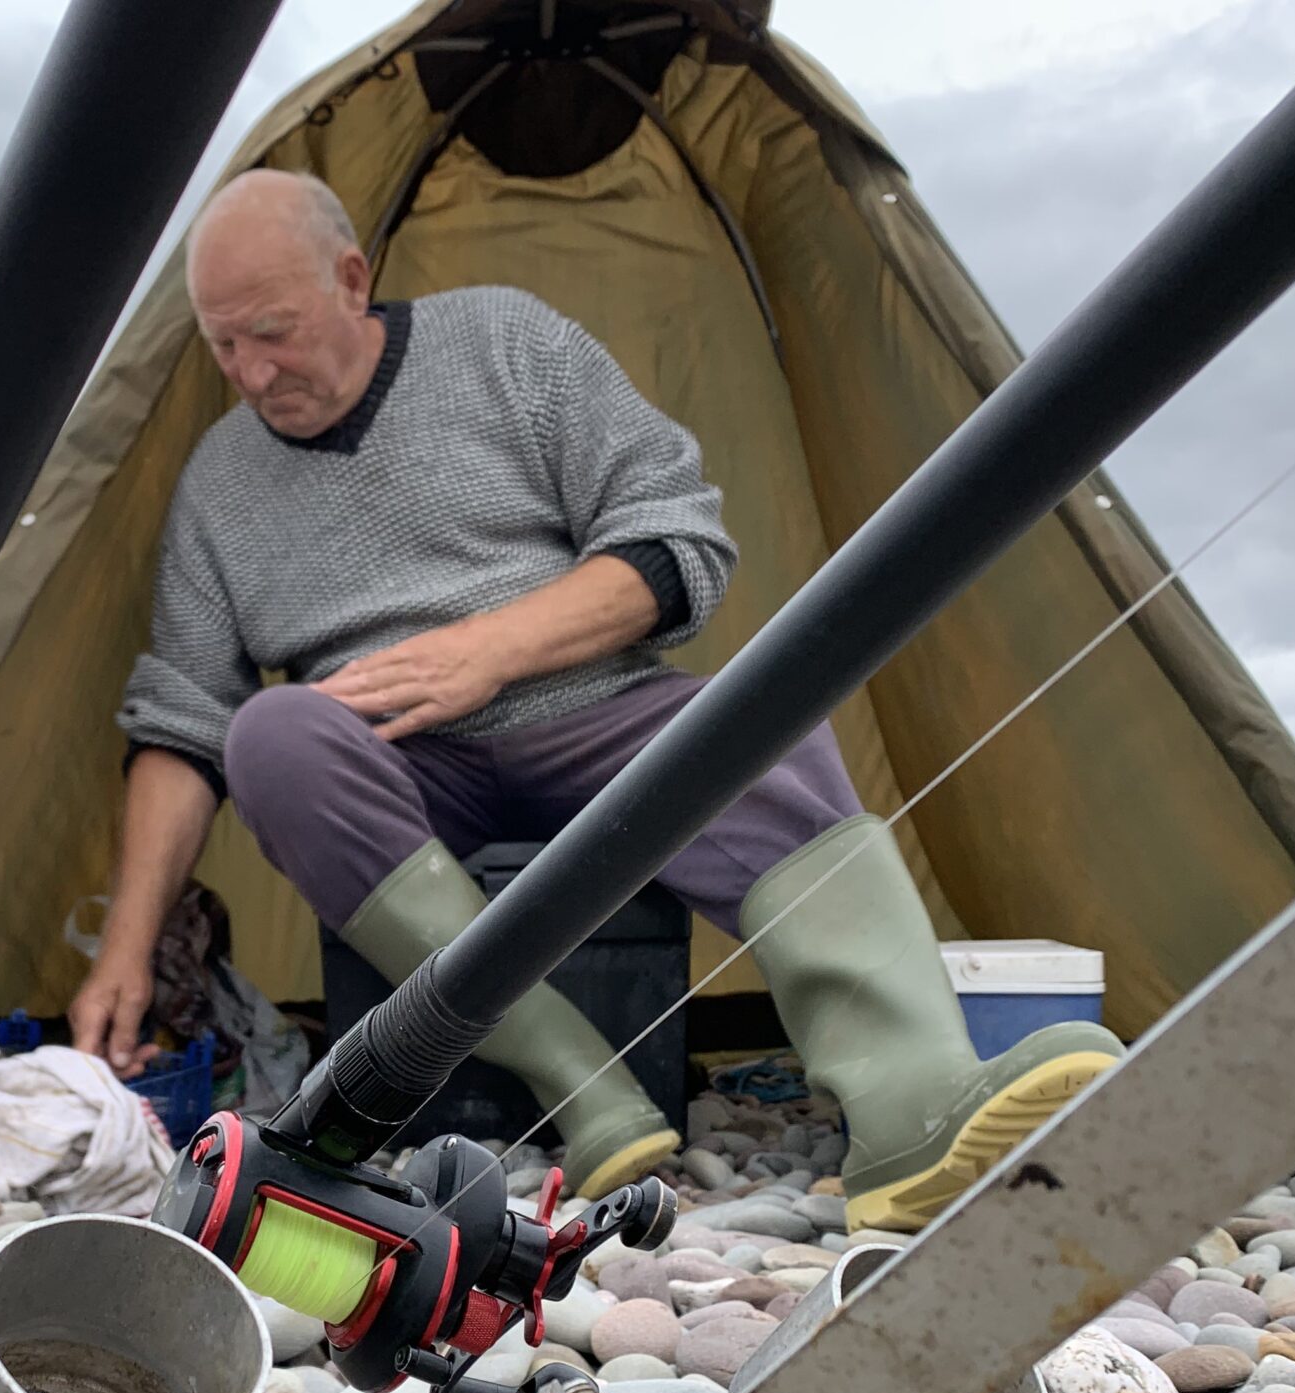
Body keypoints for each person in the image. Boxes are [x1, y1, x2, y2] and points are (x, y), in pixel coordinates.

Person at [71, 169, 1121, 1223]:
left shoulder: (506, 344)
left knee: (764, 720)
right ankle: (583, 1090)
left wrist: (486, 649)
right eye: (223, 347)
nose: (252, 373)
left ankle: (915, 1109)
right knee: (269, 734)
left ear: (351, 280)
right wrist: (124, 954)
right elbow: (183, 722)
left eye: (273, 332)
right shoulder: (217, 482)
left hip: (590, 717)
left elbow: (676, 545)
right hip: (390, 765)